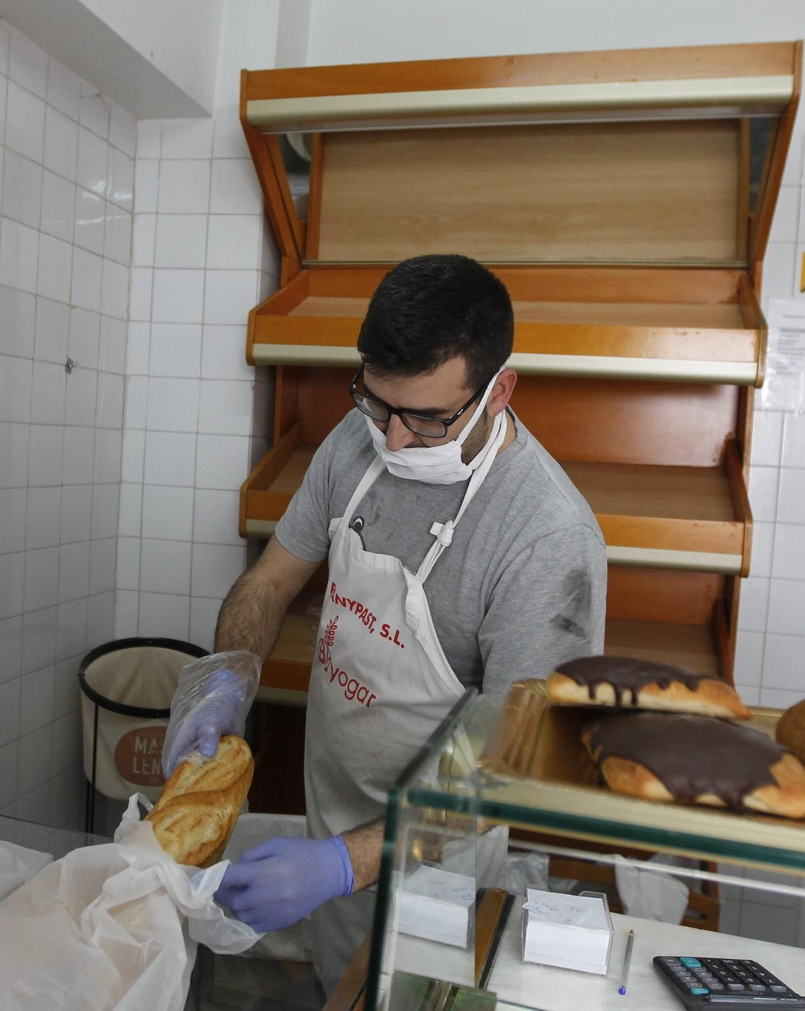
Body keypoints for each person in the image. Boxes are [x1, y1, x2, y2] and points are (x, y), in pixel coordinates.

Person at [160, 253, 608, 988]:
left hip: (452, 878)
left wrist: (346, 863)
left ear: (499, 391)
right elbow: (272, 579)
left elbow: (509, 768)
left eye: (428, 420)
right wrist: (228, 679)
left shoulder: (546, 539)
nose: (394, 440)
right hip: (331, 836)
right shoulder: (355, 439)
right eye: (377, 403)